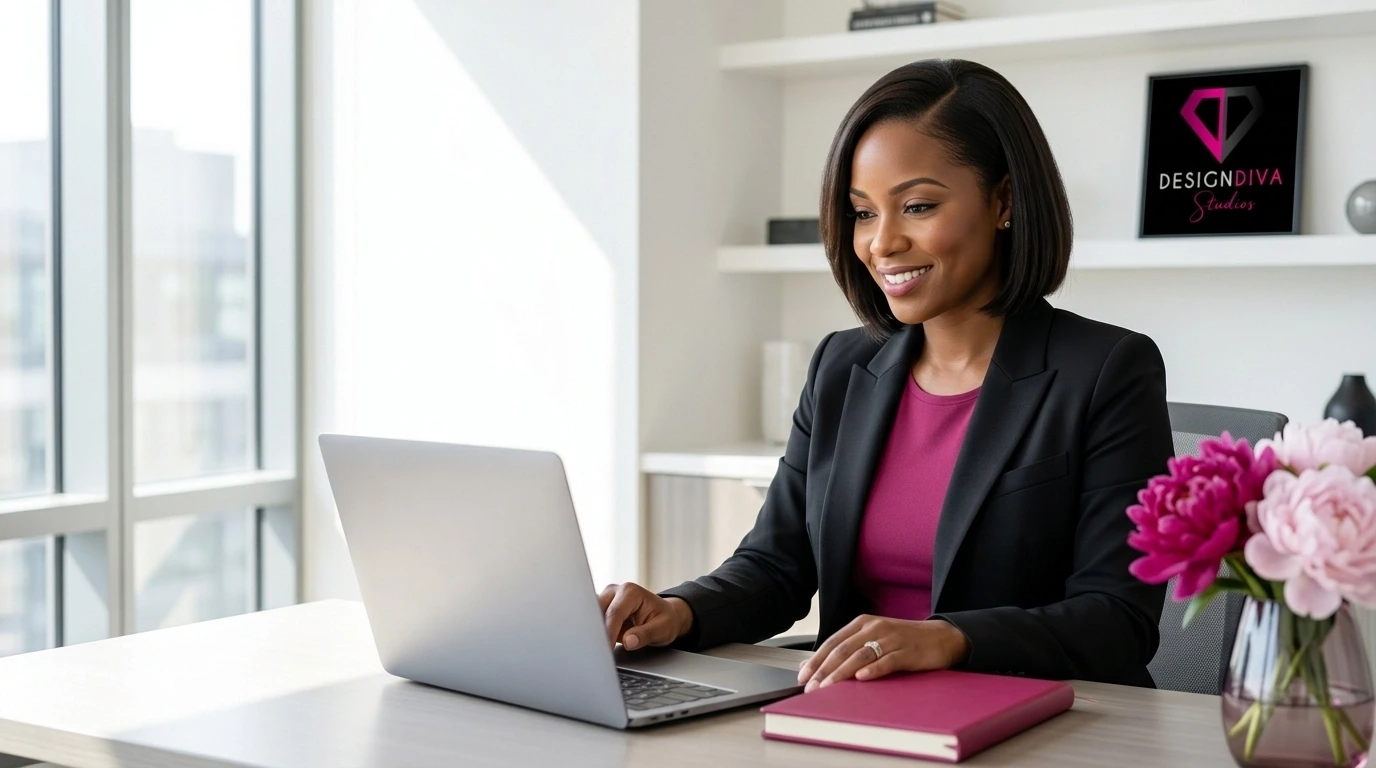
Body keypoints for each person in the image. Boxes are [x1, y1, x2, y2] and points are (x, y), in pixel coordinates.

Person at [600, 58, 1173, 690]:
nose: (881, 243)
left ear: (1004, 200)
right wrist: (679, 612)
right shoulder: (842, 367)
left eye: (918, 206)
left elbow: (1119, 618)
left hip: (1034, 724)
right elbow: (777, 565)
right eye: (863, 212)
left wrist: (950, 639)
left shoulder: (1106, 370)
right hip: (855, 716)